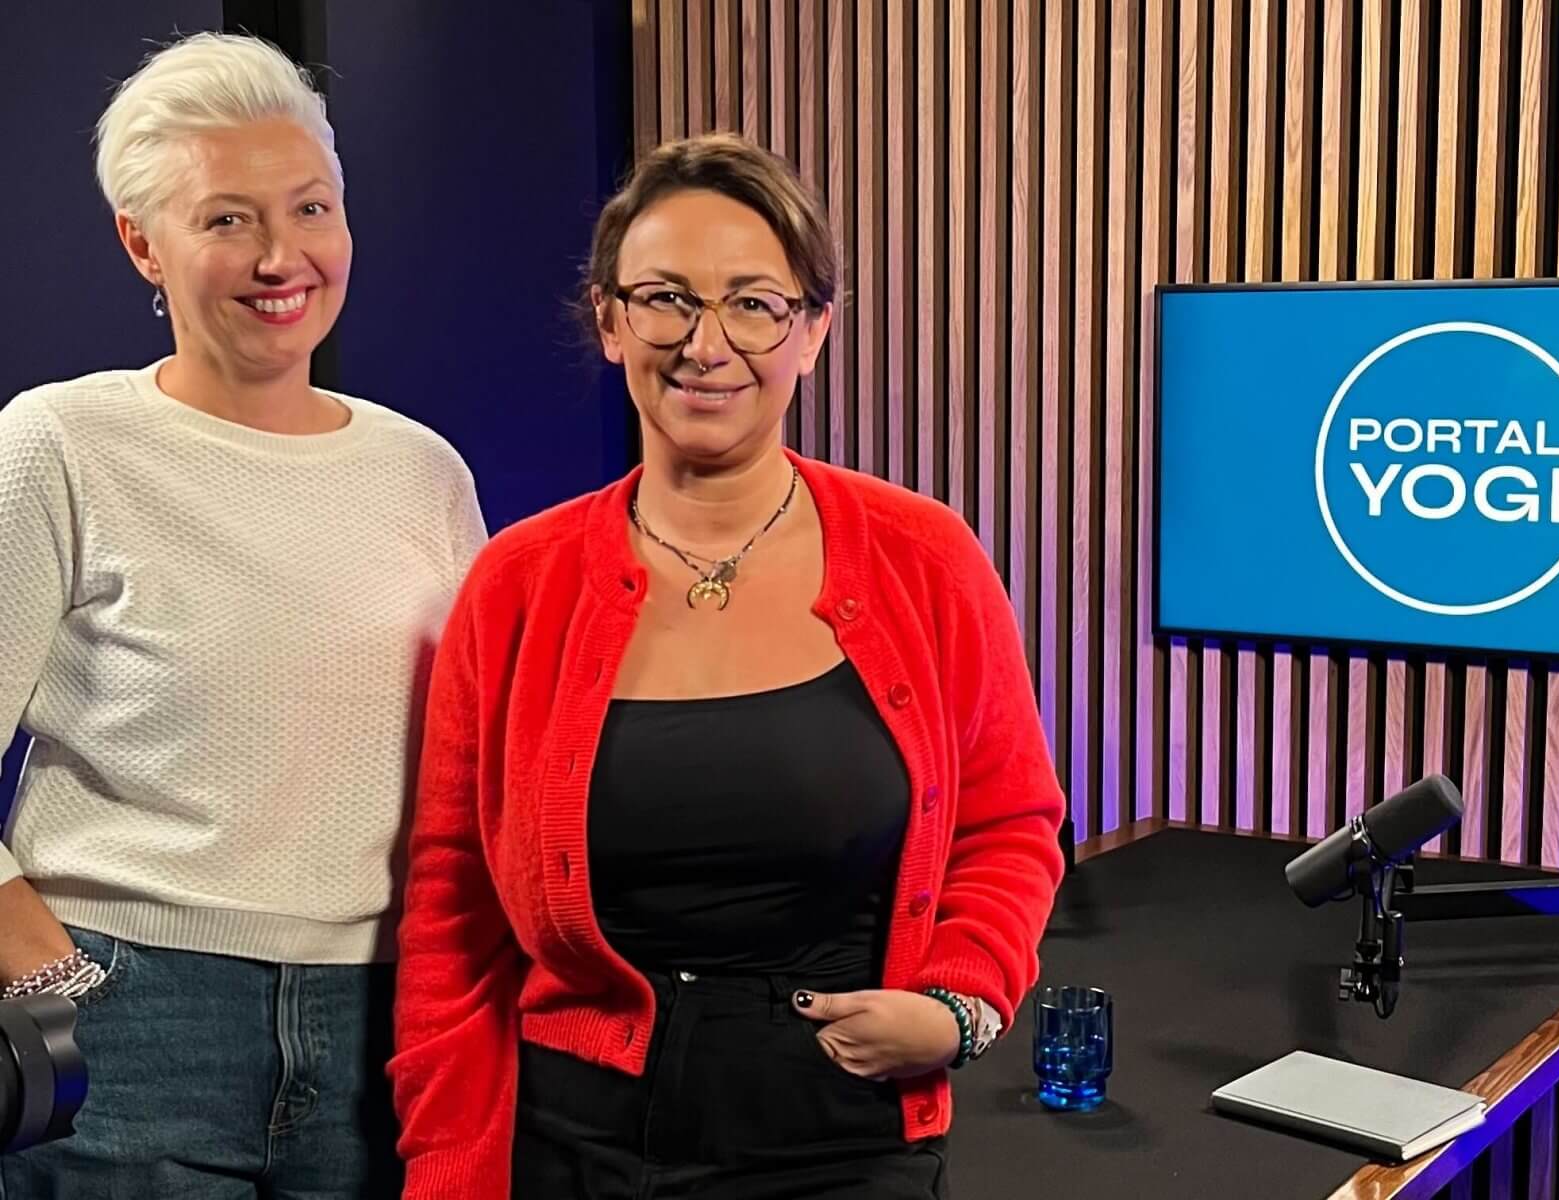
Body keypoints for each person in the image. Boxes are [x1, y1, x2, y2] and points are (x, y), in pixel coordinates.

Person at [388, 131, 1066, 1199]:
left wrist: (959, 1005)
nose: (706, 345)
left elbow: (1010, 824)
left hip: (842, 1137)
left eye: (754, 304)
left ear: (814, 332)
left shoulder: (925, 556)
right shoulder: (515, 583)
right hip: (575, 1147)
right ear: (610, 321)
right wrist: (447, 1173)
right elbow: (453, 915)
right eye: (666, 299)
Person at [0, 33, 486, 1198]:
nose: (282, 257)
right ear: (142, 243)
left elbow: (476, 771)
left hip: (383, 1024)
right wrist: (25, 948)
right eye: (227, 220)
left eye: (310, 208)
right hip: (128, 1012)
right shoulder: (61, 444)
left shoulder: (425, 473)